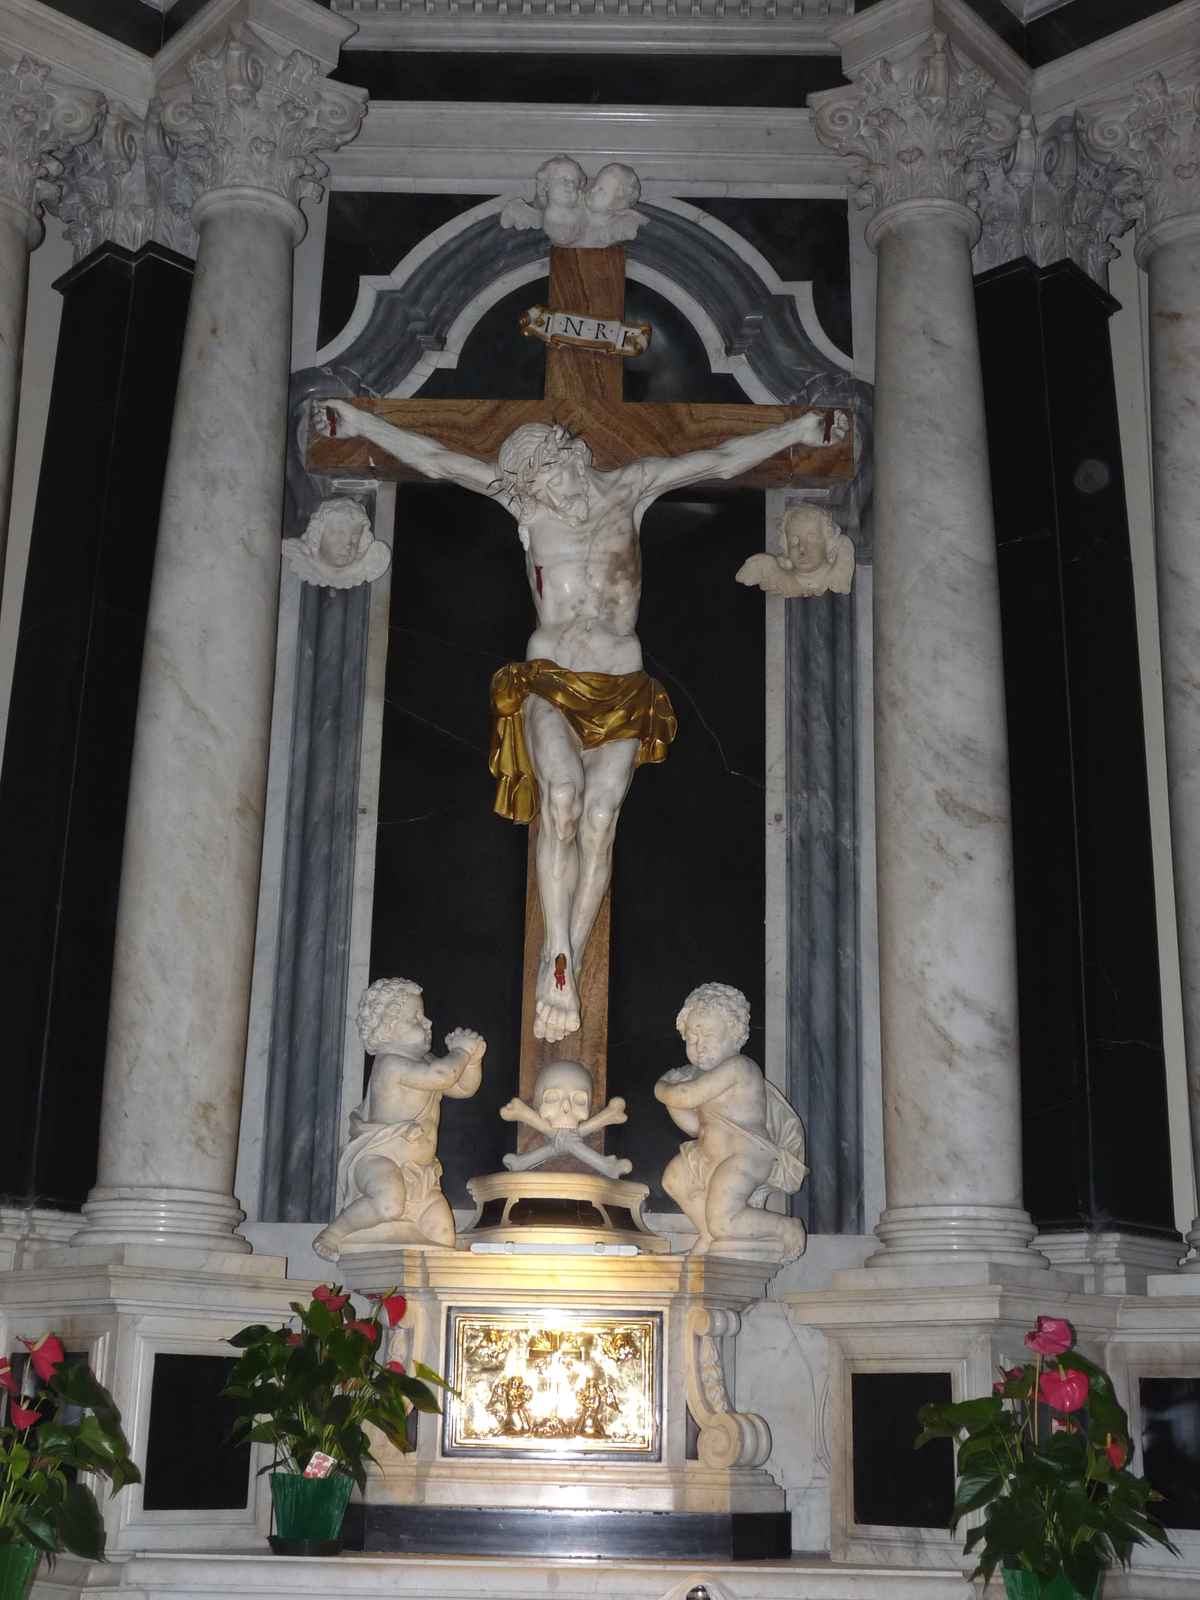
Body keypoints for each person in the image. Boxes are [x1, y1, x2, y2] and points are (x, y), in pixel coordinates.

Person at [318, 400, 848, 1043]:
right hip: (550, 679)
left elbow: (718, 459)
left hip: (622, 685)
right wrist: (362, 425)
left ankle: (565, 945)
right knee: (563, 798)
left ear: (569, 456)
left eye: (552, 484)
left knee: (600, 818)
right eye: (536, 493)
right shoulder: (527, 504)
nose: (549, 500)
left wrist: (796, 431)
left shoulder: (631, 488)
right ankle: (559, 956)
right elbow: (438, 460)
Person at [311, 978, 485, 1258]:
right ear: (386, 1028)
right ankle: (335, 1233)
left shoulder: (427, 1061)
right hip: (380, 1159)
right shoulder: (390, 1064)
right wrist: (461, 1051)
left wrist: (473, 1061)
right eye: (415, 1018)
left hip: (421, 1173)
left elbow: (463, 1088)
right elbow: (443, 1075)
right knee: (388, 1203)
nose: (427, 1022)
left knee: (443, 1232)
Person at [655, 981, 807, 1261]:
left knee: (724, 1220)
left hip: (745, 1157)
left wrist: (662, 1088)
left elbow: (687, 1095)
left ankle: (784, 1227)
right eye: (691, 1038)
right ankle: (708, 1233)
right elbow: (695, 1126)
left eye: (708, 1036)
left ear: (735, 1034)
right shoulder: (701, 1075)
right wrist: (673, 1102)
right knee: (674, 1178)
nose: (699, 1046)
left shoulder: (740, 1068)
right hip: (711, 1154)